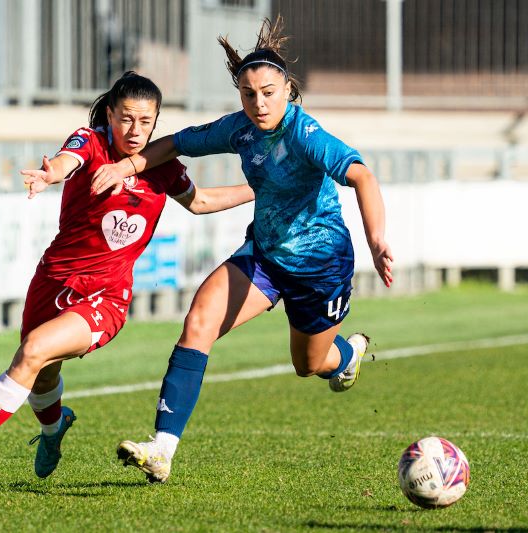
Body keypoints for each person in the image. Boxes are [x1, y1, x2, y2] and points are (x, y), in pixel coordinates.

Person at [91, 17, 394, 484]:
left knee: (308, 364)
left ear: (288, 90)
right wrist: (126, 166)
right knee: (199, 320)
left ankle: (347, 357)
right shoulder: (240, 130)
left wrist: (376, 239)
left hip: (320, 268)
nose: (259, 103)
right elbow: (176, 143)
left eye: (269, 92)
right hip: (265, 257)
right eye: (249, 94)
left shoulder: (304, 134)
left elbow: (361, 176)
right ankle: (162, 449)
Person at [0, 72, 255, 480]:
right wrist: (51, 174)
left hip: (105, 296)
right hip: (52, 280)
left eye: (145, 122)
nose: (135, 131)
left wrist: (260, 187)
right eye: (126, 118)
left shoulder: (164, 166)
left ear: (156, 122)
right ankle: (53, 430)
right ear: (110, 114)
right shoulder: (91, 140)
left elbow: (201, 201)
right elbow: (69, 160)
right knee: (42, 373)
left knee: (32, 350)